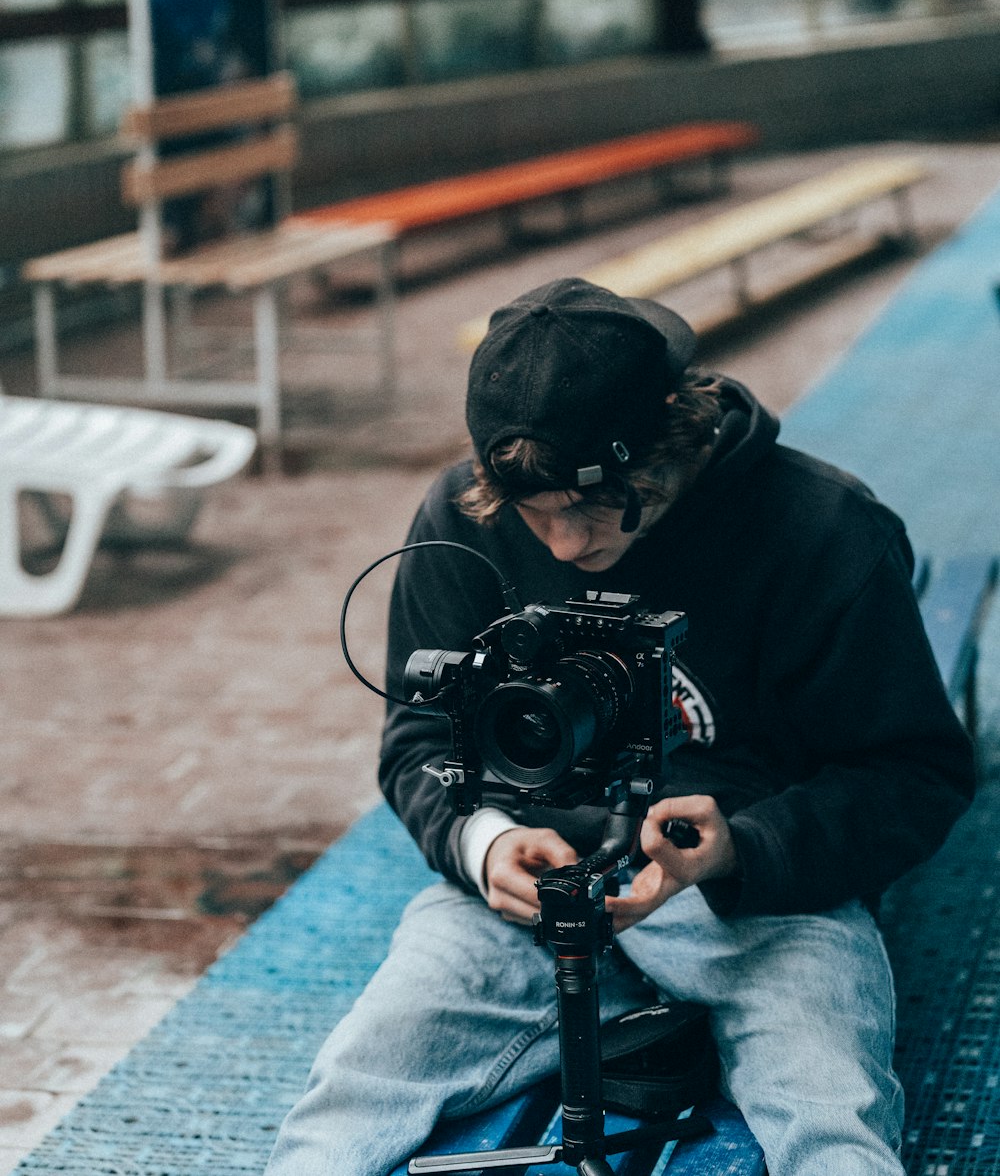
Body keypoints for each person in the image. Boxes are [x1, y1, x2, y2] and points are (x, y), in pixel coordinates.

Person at [266, 276, 975, 1176]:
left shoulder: (823, 528)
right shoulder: (462, 520)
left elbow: (913, 773)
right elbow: (419, 738)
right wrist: (484, 843)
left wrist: (740, 848)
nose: (564, 545)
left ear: (671, 442)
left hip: (755, 898)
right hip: (529, 898)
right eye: (536, 515)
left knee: (832, 1126)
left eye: (591, 509)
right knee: (348, 1097)